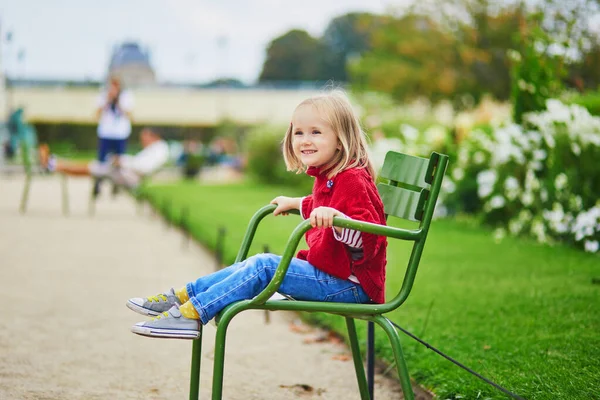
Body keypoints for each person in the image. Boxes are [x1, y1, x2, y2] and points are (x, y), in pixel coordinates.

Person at [126, 90, 387, 339]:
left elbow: (369, 237)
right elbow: (325, 204)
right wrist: (297, 203)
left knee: (263, 266)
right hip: (333, 276)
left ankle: (192, 315)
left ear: (341, 140)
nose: (305, 140)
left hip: (351, 287)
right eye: (299, 132)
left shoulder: (351, 179)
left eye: (316, 132)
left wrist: (339, 223)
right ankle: (183, 297)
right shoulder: (330, 175)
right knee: (249, 266)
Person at [40, 127, 169, 189]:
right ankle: (54, 163)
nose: (142, 141)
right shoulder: (156, 149)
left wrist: (122, 161)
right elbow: (139, 164)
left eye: (144, 137)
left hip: (132, 178)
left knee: (95, 167)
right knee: (95, 166)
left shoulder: (160, 150)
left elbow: (143, 168)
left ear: (153, 136)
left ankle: (53, 164)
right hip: (128, 173)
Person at [93, 76, 134, 195]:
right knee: (101, 161)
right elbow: (96, 114)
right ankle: (98, 183)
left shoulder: (126, 96)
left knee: (119, 162)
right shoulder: (103, 95)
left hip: (120, 134)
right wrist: (108, 100)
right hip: (106, 133)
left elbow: (130, 115)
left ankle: (117, 185)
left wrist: (118, 101)